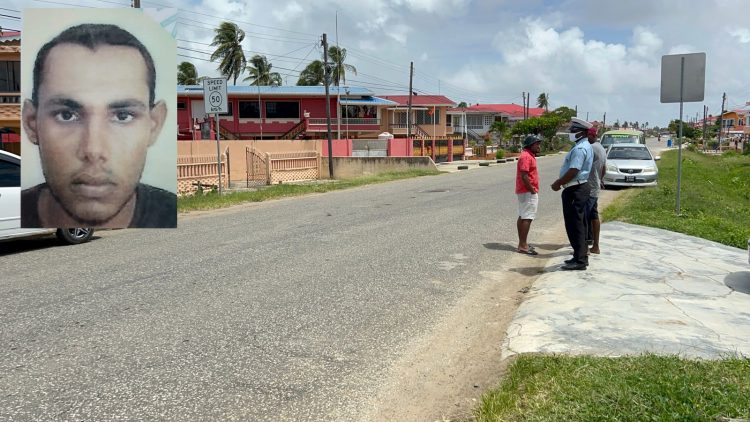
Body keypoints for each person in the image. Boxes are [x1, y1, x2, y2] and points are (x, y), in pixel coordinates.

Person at [21, 23, 175, 228]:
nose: (93, 150)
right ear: (32, 124)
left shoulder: (172, 213)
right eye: (66, 115)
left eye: (122, 116)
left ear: (154, 125)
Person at [551, 118, 593, 270]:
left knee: (575, 225)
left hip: (575, 189)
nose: (570, 133)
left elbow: (574, 170)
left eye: (572, 131)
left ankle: (580, 260)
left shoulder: (580, 149)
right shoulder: (584, 146)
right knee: (578, 223)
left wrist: (559, 182)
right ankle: (579, 256)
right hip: (579, 188)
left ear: (580, 133)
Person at [515, 134, 542, 255]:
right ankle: (523, 245)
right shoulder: (526, 157)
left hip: (524, 191)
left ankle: (522, 243)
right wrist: (532, 190)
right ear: (531, 145)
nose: (539, 147)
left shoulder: (528, 155)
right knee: (527, 217)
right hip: (527, 191)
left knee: (523, 215)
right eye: (537, 144)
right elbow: (524, 175)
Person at [585, 126, 606, 254]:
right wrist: (600, 180)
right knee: (594, 216)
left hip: (589, 188)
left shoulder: (591, 148)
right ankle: (595, 246)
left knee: (584, 218)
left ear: (591, 136)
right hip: (596, 187)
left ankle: (585, 247)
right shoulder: (601, 148)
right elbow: (604, 168)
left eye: (586, 136)